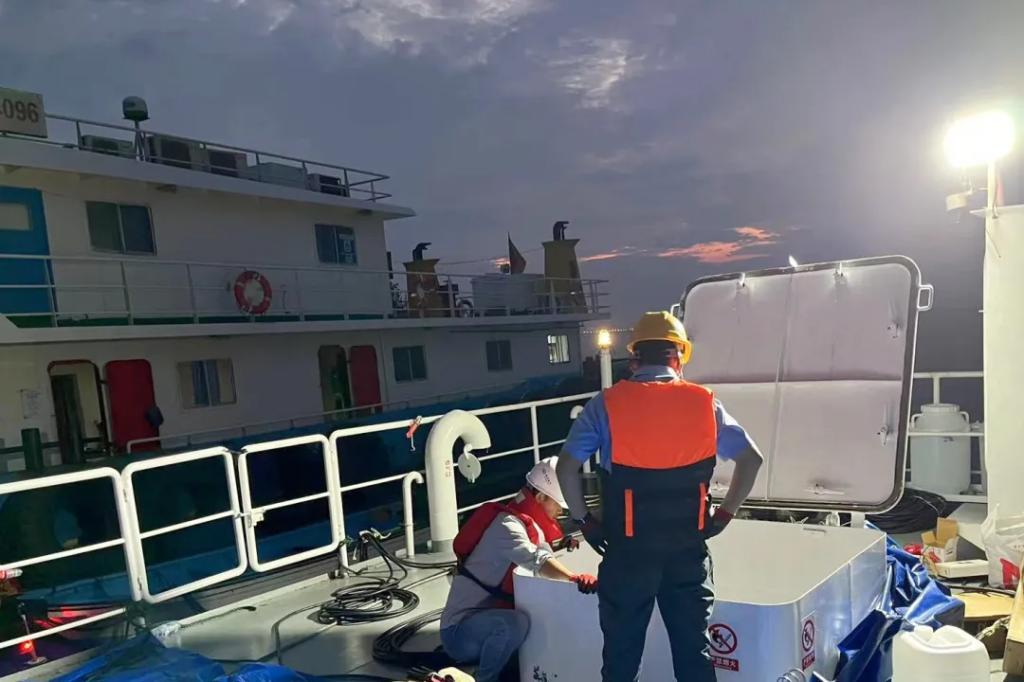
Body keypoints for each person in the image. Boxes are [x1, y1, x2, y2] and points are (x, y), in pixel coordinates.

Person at [555, 311, 764, 682]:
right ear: (679, 356)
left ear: (635, 358)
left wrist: (584, 521)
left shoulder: (605, 404)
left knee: (621, 657)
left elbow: (566, 468)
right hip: (687, 552)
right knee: (694, 653)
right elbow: (751, 460)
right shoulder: (705, 404)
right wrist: (725, 515)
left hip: (627, 554)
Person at [440, 456, 598, 682]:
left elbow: (542, 551)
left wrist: (562, 546)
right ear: (541, 497)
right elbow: (538, 560)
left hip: (485, 621)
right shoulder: (508, 526)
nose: (561, 512)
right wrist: (575, 578)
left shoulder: (529, 526)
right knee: (515, 624)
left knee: (527, 625)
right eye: (558, 504)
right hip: (459, 633)